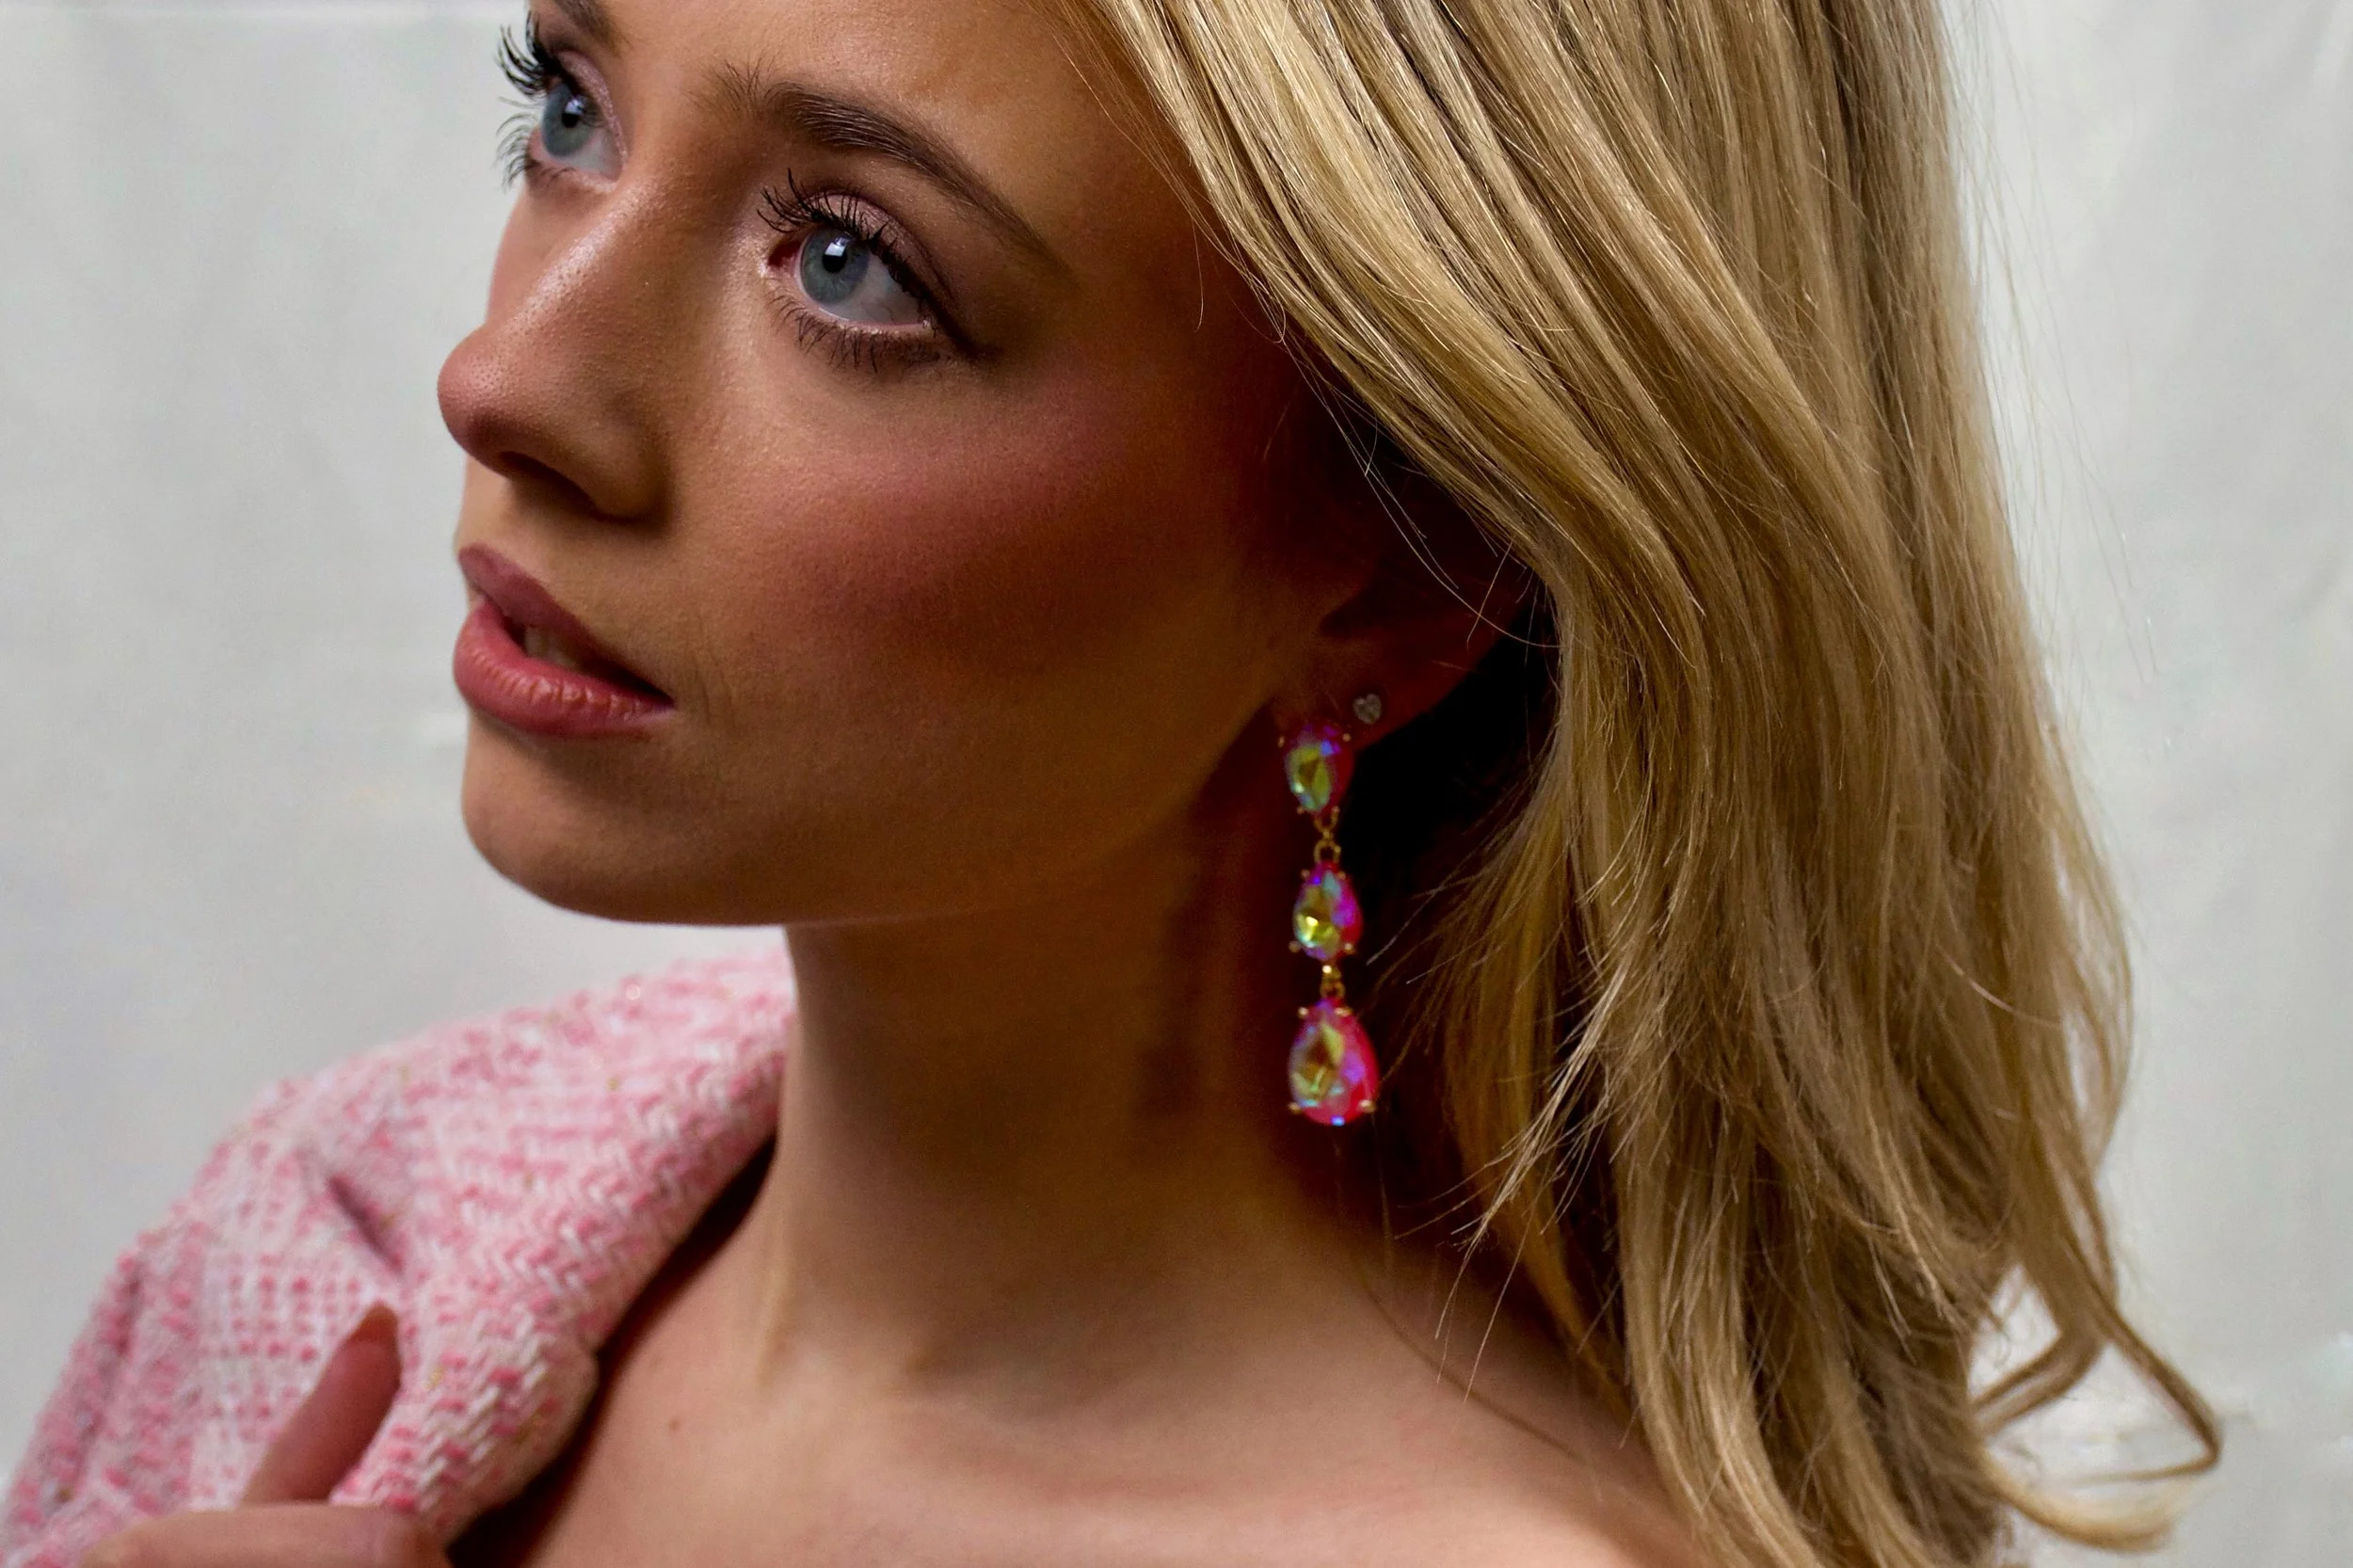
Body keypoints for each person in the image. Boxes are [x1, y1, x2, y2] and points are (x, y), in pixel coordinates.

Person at [3, 0, 2219, 1564]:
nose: (513, 376)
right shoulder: (319, 1260)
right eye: (565, 103)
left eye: (850, 264)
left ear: (1406, 566)